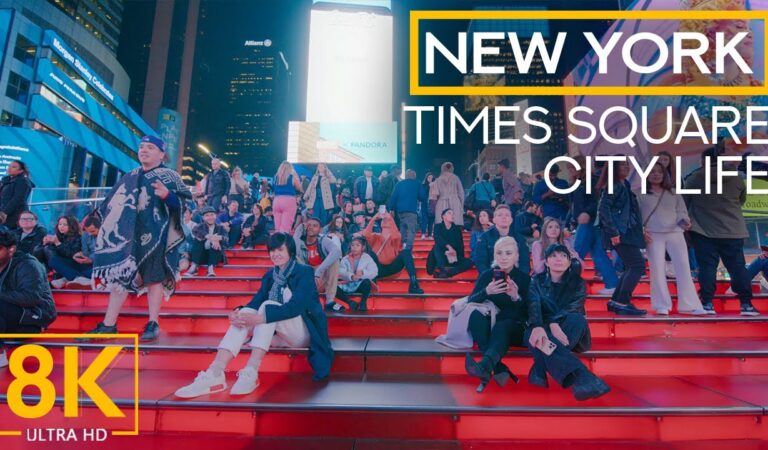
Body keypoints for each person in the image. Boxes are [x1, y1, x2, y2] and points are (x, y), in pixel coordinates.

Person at [174, 232, 333, 398]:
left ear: (290, 251)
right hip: (277, 335)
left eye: (280, 250)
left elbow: (295, 307)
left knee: (268, 306)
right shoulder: (270, 276)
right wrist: (237, 313)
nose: (275, 254)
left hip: (304, 333)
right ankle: (215, 372)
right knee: (246, 313)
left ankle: (251, 370)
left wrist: (260, 318)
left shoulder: (304, 272)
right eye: (272, 250)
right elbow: (255, 303)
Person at [83, 135, 191, 342]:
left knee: (154, 277)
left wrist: (167, 196)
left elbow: (183, 206)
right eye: (142, 147)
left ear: (161, 154)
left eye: (150, 147)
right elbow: (110, 202)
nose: (144, 150)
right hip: (126, 234)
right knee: (119, 278)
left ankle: (153, 322)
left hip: (156, 234)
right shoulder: (130, 175)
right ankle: (109, 324)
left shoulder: (170, 176)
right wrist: (95, 217)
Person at [525, 243, 611, 401]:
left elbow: (573, 308)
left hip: (570, 330)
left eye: (563, 256)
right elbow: (533, 307)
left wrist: (553, 324)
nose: (558, 259)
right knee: (533, 331)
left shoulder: (578, 283)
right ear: (546, 262)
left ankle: (539, 367)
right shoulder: (536, 281)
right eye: (553, 256)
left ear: (570, 262)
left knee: (576, 318)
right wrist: (545, 325)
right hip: (544, 328)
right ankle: (582, 377)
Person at [684, 146, 759, 316]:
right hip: (733, 230)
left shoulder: (694, 178)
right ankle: (746, 304)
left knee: (707, 268)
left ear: (704, 161)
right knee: (738, 267)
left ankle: (708, 303)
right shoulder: (736, 179)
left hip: (703, 231)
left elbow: (685, 202)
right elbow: (741, 200)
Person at [637, 163, 705, 316]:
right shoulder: (639, 195)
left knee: (683, 268)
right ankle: (661, 304)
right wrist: (642, 231)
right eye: (652, 172)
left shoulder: (674, 193)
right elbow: (637, 217)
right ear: (646, 175)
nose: (656, 174)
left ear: (664, 174)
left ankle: (689, 304)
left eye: (660, 172)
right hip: (653, 235)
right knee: (657, 270)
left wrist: (684, 221)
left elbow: (681, 211)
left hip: (675, 232)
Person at [464, 237, 530, 392]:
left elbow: (528, 314)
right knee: (474, 315)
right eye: (499, 253)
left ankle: (487, 366)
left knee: (503, 324)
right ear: (494, 255)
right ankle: (497, 367)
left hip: (514, 329)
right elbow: (470, 301)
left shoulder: (525, 279)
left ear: (516, 256)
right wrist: (486, 291)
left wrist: (516, 297)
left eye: (508, 253)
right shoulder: (487, 276)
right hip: (489, 327)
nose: (504, 257)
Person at [597, 158, 647, 316]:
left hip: (625, 232)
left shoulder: (623, 184)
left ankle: (617, 301)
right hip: (621, 233)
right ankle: (622, 301)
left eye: (627, 164)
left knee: (632, 266)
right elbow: (604, 209)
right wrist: (614, 232)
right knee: (637, 265)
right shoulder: (615, 185)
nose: (626, 167)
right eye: (622, 164)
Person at [0, 229, 57, 363]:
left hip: (32, 318)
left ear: (11, 249)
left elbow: (31, 298)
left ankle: (1, 354)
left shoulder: (28, 264)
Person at [570, 156, 619, 296]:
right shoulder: (582, 182)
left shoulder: (590, 182)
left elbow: (596, 202)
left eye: (572, 167)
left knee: (577, 253)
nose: (570, 171)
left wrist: (586, 213)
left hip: (588, 222)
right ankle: (612, 283)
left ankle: (568, 285)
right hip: (587, 221)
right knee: (598, 253)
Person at [363, 211, 424, 294]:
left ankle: (414, 284)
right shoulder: (375, 236)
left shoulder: (395, 238)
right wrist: (373, 219)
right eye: (383, 220)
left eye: (387, 220)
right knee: (370, 253)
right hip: (377, 270)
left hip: (392, 268)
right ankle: (372, 285)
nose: (385, 221)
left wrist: (390, 218)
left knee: (406, 252)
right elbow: (366, 234)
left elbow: (396, 235)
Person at [294, 218, 343, 311]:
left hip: (320, 279)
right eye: (309, 225)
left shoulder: (323, 240)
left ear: (320, 230)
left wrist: (319, 271)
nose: (311, 228)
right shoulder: (299, 242)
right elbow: (294, 244)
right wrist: (300, 227)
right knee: (294, 257)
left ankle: (330, 301)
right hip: (306, 279)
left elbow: (337, 251)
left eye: (315, 226)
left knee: (335, 261)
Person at [472, 205, 531, 276]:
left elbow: (525, 264)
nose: (504, 217)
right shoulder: (484, 238)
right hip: (490, 277)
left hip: (515, 277)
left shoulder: (520, 239)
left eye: (507, 215)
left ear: (511, 220)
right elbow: (480, 263)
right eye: (500, 215)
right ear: (494, 220)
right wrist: (490, 278)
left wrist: (519, 280)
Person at [335, 236, 378, 312]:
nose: (354, 248)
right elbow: (341, 271)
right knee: (333, 288)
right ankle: (350, 302)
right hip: (347, 284)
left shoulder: (367, 258)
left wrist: (363, 273)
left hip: (360, 284)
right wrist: (351, 276)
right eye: (353, 245)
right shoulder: (346, 258)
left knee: (367, 282)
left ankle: (363, 303)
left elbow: (374, 271)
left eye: (357, 245)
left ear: (363, 247)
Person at [388, 169, 426, 251]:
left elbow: (393, 197)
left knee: (403, 227)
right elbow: (422, 197)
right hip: (411, 210)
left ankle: (404, 243)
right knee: (412, 230)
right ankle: (408, 249)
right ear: (414, 176)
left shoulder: (399, 184)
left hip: (400, 211)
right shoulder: (417, 184)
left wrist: (391, 209)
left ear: (406, 176)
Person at [41, 215, 83, 288]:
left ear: (72, 226)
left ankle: (57, 274)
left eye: (65, 224)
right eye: (60, 224)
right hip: (59, 262)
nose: (61, 227)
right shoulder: (59, 236)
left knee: (53, 260)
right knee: (45, 249)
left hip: (73, 263)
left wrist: (57, 243)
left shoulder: (78, 238)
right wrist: (45, 243)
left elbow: (71, 254)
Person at [186, 207, 229, 277]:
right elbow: (196, 231)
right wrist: (210, 237)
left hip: (215, 256)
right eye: (207, 215)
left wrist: (218, 238)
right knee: (198, 239)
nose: (210, 217)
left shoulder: (221, 228)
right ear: (203, 218)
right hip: (200, 256)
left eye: (212, 215)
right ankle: (194, 266)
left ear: (215, 216)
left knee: (215, 242)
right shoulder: (199, 226)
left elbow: (226, 240)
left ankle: (210, 268)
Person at [431, 208, 473, 278]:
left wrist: (457, 255)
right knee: (436, 247)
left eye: (453, 214)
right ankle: (442, 269)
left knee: (470, 262)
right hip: (442, 256)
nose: (452, 215)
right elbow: (438, 239)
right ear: (443, 216)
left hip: (453, 255)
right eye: (449, 213)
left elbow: (460, 245)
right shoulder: (437, 226)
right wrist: (448, 247)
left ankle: (447, 273)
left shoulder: (457, 229)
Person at [0, 160, 33, 229]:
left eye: (13, 167)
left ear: (21, 171)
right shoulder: (6, 180)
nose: (9, 168)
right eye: (9, 166)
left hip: (15, 215)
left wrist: (5, 212)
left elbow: (18, 199)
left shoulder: (23, 181)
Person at [273, 161, 303, 233]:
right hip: (288, 200)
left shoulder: (275, 177)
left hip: (276, 200)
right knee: (285, 228)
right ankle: (283, 243)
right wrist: (295, 174)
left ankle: (277, 243)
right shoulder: (292, 177)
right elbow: (299, 188)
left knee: (277, 227)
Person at [304, 163, 337, 228]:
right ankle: (314, 230)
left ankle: (322, 232)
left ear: (325, 168)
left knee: (323, 215)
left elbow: (334, 180)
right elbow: (310, 186)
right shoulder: (315, 177)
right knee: (315, 215)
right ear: (317, 168)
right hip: (315, 198)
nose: (321, 168)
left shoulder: (327, 176)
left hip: (324, 199)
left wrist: (328, 171)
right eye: (319, 166)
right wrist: (306, 195)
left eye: (322, 166)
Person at [434, 162, 464, 227]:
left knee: (441, 225)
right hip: (455, 203)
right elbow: (461, 193)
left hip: (441, 203)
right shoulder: (456, 178)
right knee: (456, 225)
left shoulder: (438, 180)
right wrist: (461, 205)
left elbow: (435, 196)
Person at [420, 172, 436, 240]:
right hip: (425, 204)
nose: (430, 179)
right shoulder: (423, 185)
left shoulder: (435, 185)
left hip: (432, 205)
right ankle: (423, 234)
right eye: (429, 177)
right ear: (426, 178)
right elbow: (422, 194)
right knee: (424, 220)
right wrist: (429, 185)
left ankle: (430, 235)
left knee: (431, 220)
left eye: (431, 178)